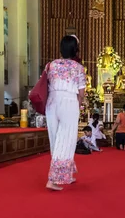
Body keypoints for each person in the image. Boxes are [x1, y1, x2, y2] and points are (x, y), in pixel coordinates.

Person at [45, 35, 86, 191]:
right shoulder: (78, 67)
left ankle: (65, 173)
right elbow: (81, 93)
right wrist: (79, 105)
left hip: (52, 102)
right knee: (66, 140)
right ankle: (53, 179)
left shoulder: (52, 65)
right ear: (75, 49)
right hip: (69, 102)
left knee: (55, 139)